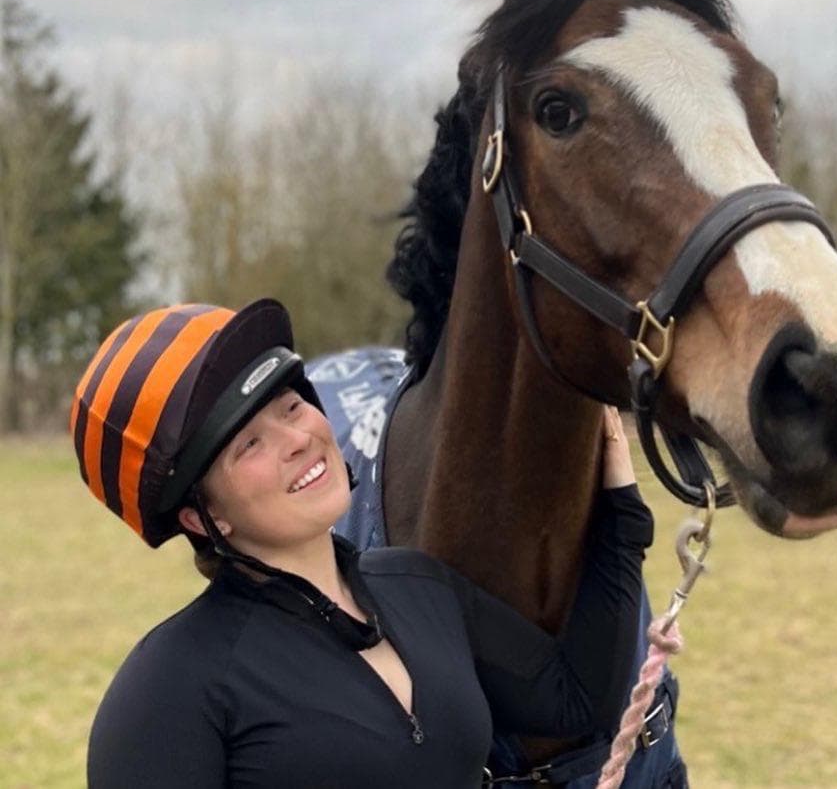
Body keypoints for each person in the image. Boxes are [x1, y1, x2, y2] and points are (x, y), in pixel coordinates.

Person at [72, 298, 653, 788]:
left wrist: (619, 511)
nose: (297, 438)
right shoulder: (168, 689)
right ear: (203, 518)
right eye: (248, 444)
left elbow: (578, 698)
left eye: (292, 406)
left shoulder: (419, 587)